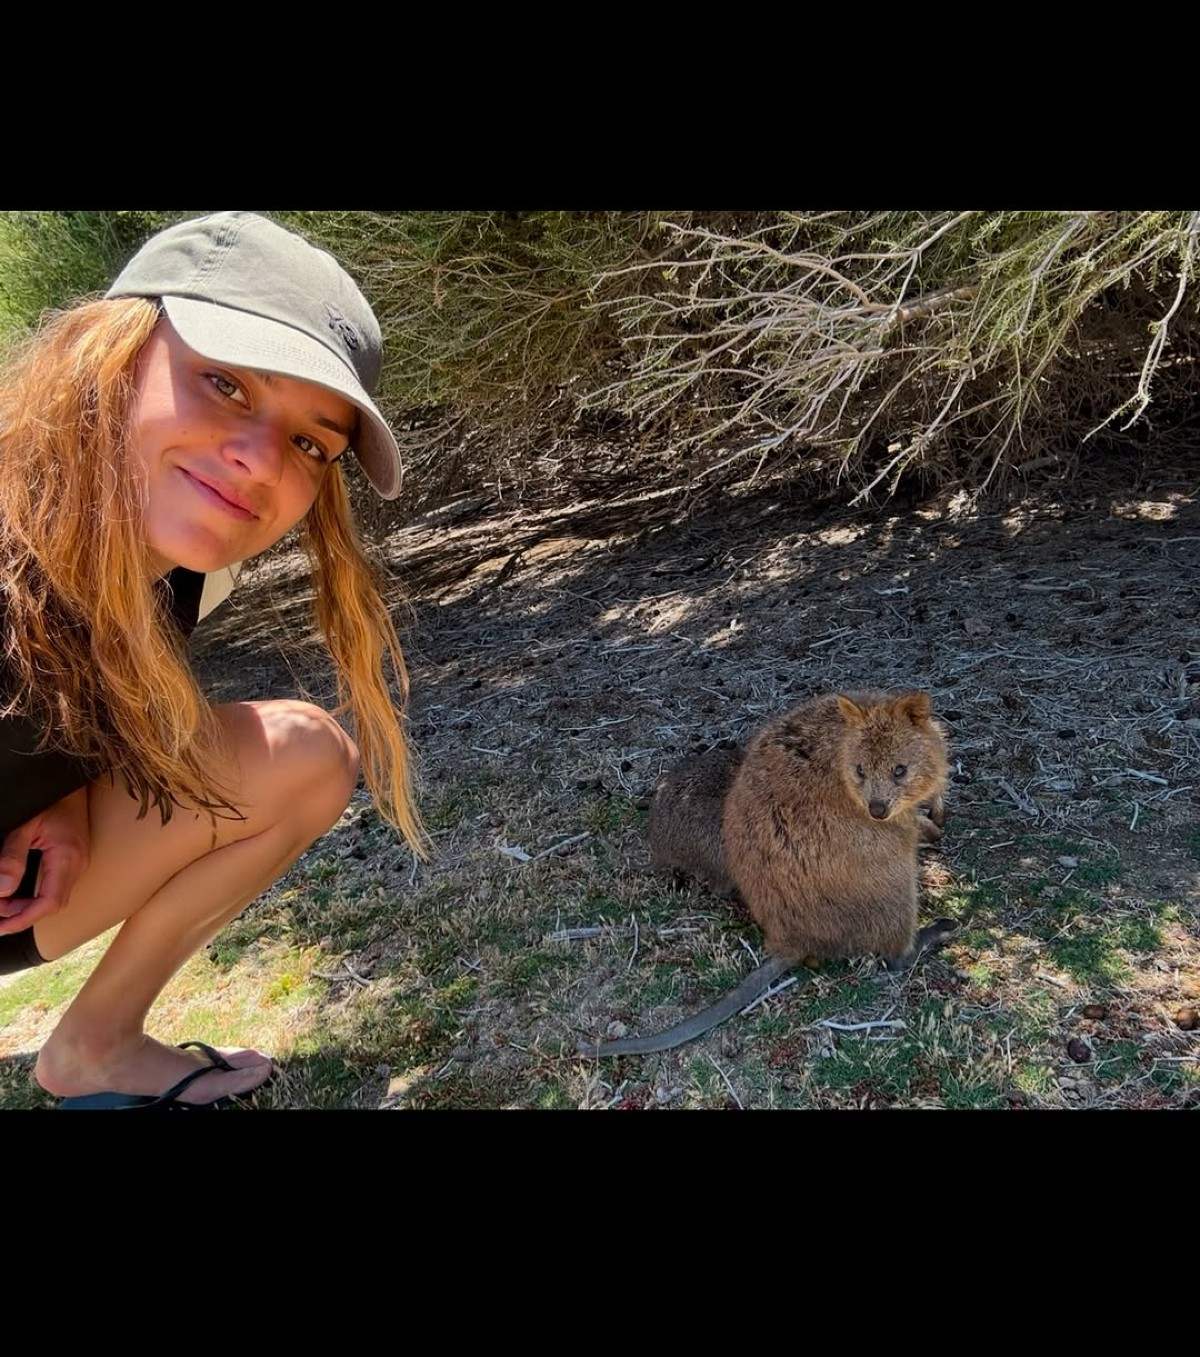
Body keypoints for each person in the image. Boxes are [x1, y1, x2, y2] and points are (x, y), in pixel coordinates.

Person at [0, 212, 425, 1109]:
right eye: (225, 384)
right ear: (109, 353)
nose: (261, 461)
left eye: (313, 442)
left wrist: (71, 790)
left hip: (27, 889)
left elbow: (86, 682)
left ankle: (97, 1046)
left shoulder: (194, 562)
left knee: (306, 756)